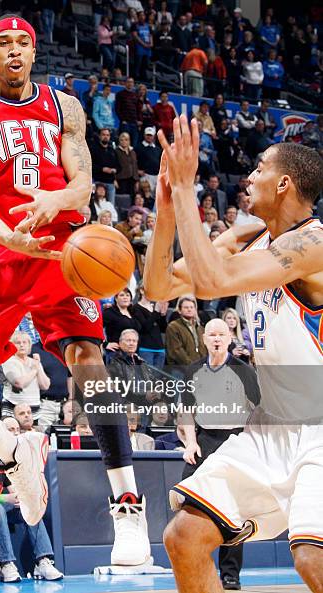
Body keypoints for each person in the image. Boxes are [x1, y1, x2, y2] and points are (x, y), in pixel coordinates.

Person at [0, 16, 151, 567]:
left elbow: (83, 182)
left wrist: (57, 203)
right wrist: (6, 234)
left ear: (33, 53)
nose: (14, 50)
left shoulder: (63, 107)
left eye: (23, 43)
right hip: (2, 253)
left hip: (62, 251)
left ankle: (127, 504)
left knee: (87, 360)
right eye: (2, 43)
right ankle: (15, 453)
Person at [144, 116, 323, 593]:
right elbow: (159, 284)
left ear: (284, 182)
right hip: (271, 426)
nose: (247, 178)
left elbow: (213, 282)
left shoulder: (315, 243)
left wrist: (185, 191)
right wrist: (166, 206)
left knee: (312, 559)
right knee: (183, 537)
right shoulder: (247, 235)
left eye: (258, 169)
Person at [178, 319, 260, 590]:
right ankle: (195, 567)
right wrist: (190, 442)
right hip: (204, 439)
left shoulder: (243, 370)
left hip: (235, 439)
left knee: (233, 510)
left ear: (229, 338)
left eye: (221, 334)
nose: (216, 339)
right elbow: (187, 412)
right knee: (186, 499)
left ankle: (230, 574)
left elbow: (259, 409)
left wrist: (250, 442)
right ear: (204, 338)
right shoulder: (193, 371)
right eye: (211, 334)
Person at [0, 445, 63, 582]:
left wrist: (22, 498)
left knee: (30, 508)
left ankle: (43, 561)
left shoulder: (3, 463)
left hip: (0, 509)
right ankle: (6, 563)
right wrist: (4, 498)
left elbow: (14, 490)